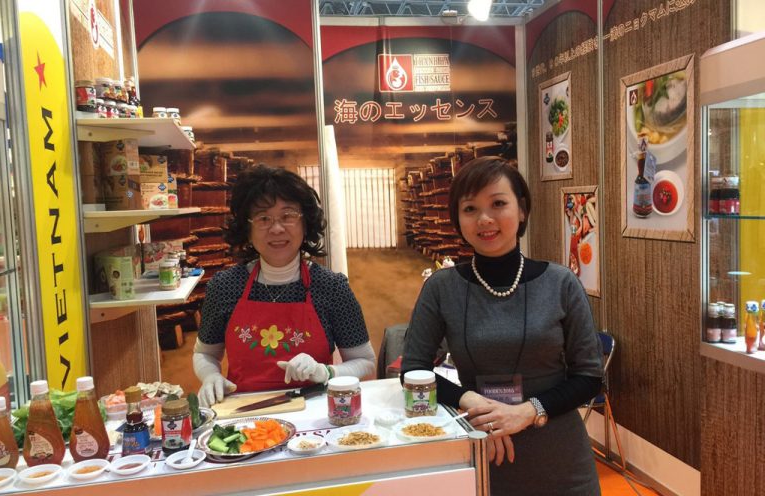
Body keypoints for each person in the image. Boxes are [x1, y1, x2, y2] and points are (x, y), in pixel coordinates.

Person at [402, 156, 603, 495]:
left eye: (498, 204)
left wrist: (527, 412)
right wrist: (474, 404)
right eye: (470, 209)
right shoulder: (442, 288)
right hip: (482, 446)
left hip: (560, 456)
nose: (484, 219)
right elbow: (413, 371)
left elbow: (590, 377)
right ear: (458, 219)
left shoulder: (560, 283)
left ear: (521, 210)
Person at [194, 165, 375, 407]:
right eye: (263, 218)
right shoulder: (225, 286)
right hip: (244, 411)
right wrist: (210, 376)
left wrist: (326, 372)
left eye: (288, 216)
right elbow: (205, 353)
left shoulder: (331, 287)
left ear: (305, 224)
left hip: (314, 411)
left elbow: (365, 361)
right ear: (247, 229)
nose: (277, 228)